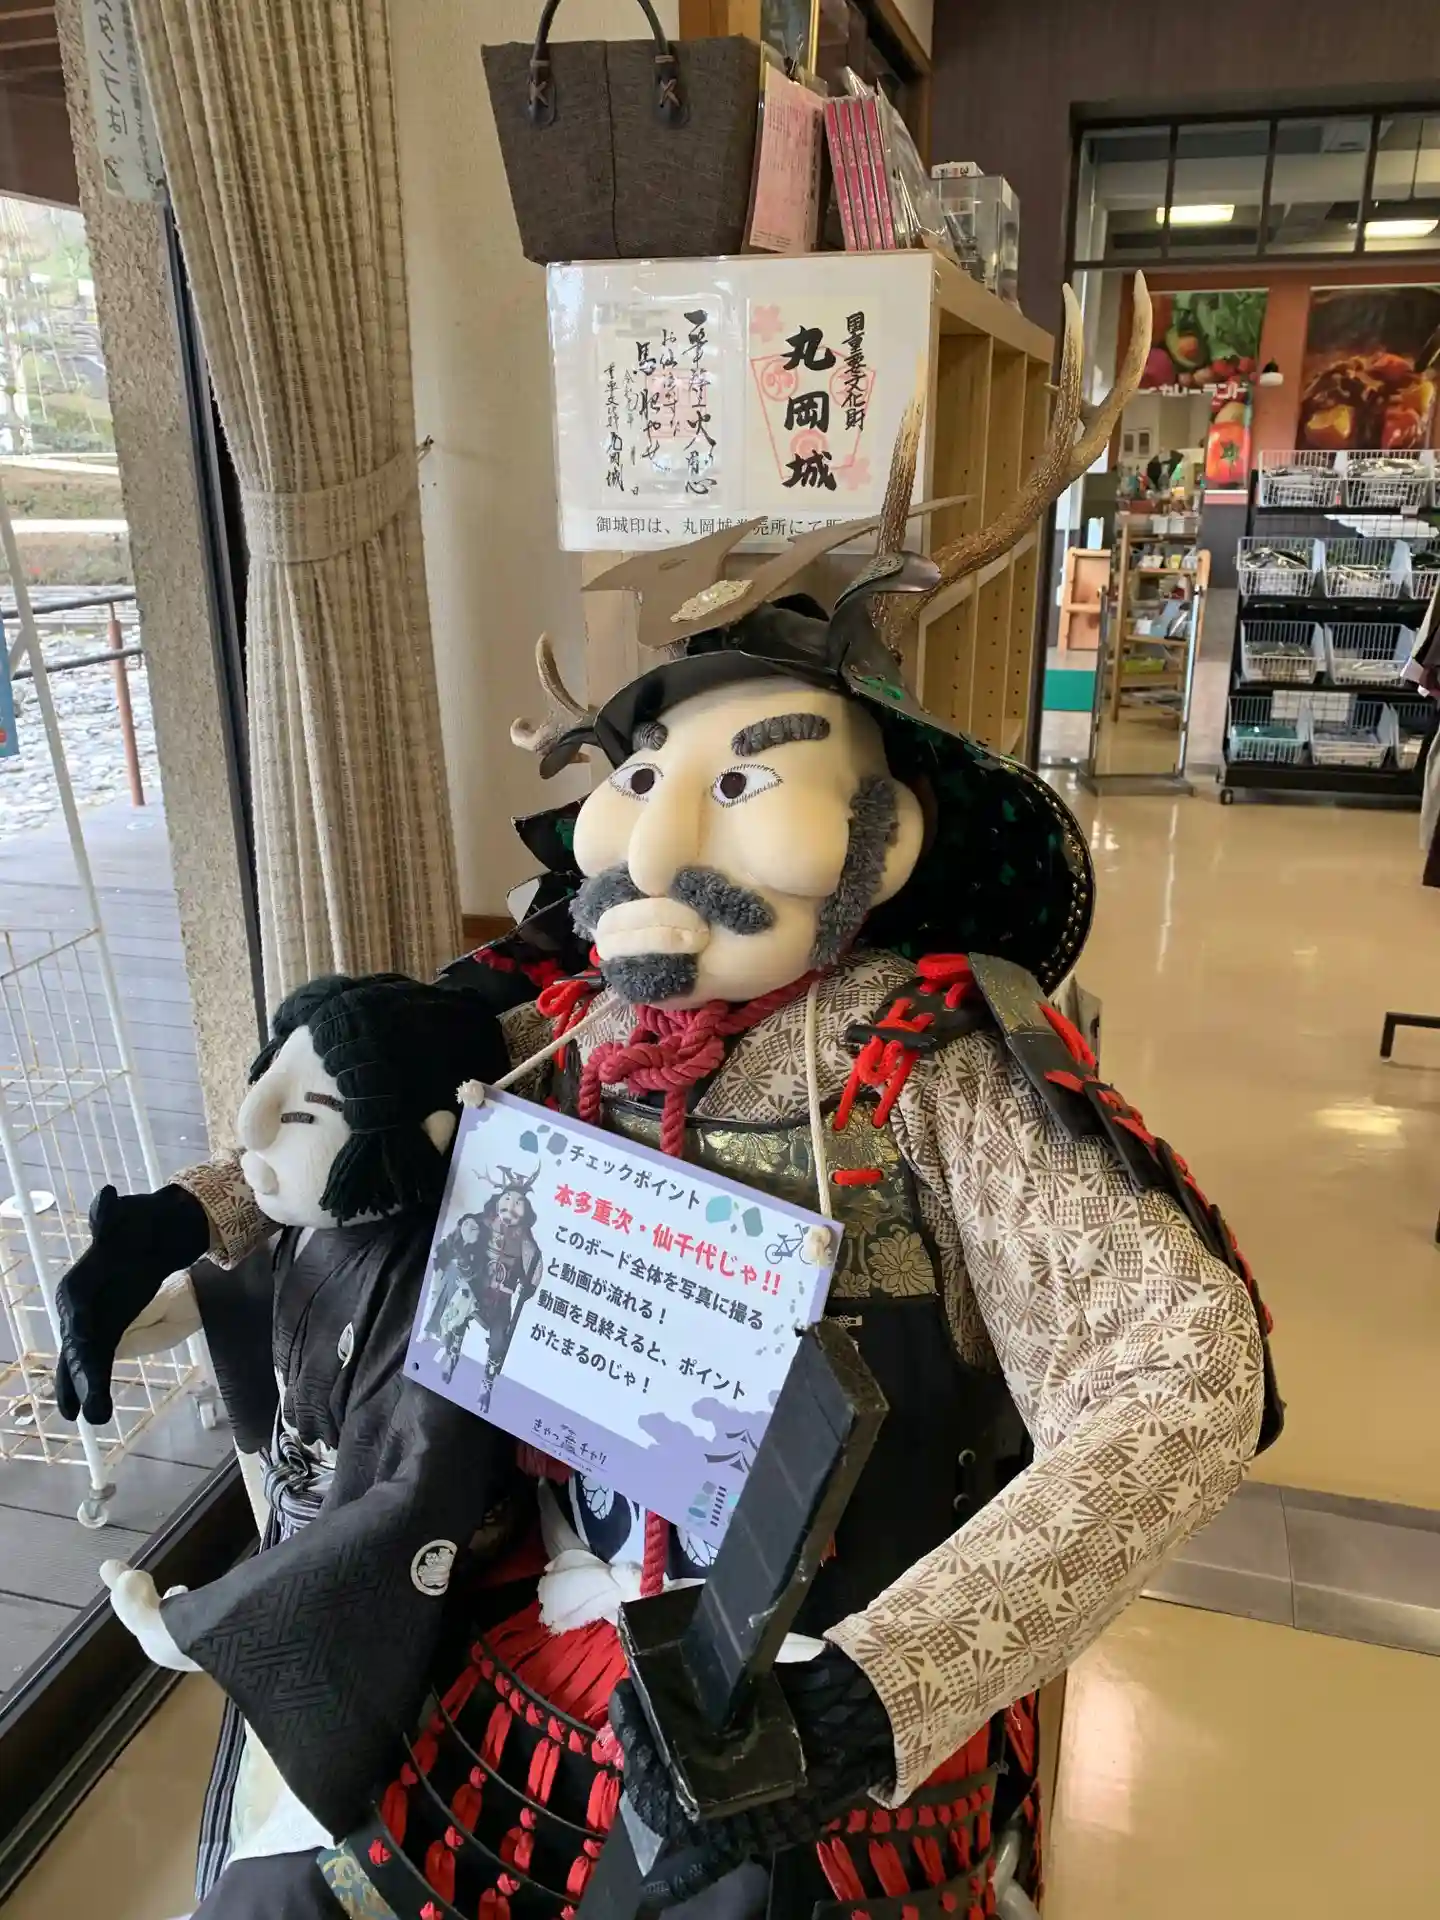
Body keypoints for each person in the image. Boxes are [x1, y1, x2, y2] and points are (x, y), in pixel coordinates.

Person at [55, 274, 1280, 1920]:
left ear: (890, 833)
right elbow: (359, 1136)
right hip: (546, 1621)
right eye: (640, 777)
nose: (662, 833)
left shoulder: (933, 1071)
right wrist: (181, 1220)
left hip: (812, 1694)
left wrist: (876, 1696)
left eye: (748, 774)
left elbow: (1182, 1372)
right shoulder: (570, 1025)